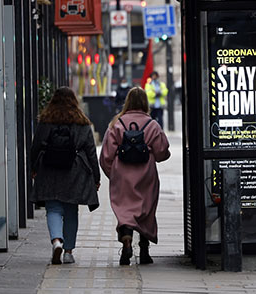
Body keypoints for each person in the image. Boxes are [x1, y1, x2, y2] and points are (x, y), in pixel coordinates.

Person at [99, 87, 170, 265]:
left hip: (122, 174)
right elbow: (163, 152)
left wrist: (114, 174)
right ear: (145, 102)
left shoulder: (117, 124)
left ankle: (126, 240)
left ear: (127, 102)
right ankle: (144, 250)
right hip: (146, 175)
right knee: (146, 210)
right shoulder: (152, 125)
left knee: (125, 210)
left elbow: (106, 156)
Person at [30, 87, 100, 265]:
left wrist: (33, 167)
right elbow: (91, 151)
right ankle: (68, 252)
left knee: (53, 208)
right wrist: (96, 177)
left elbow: (36, 145)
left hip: (49, 167)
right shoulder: (82, 122)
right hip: (74, 170)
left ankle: (56, 241)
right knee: (70, 211)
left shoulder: (46, 120)